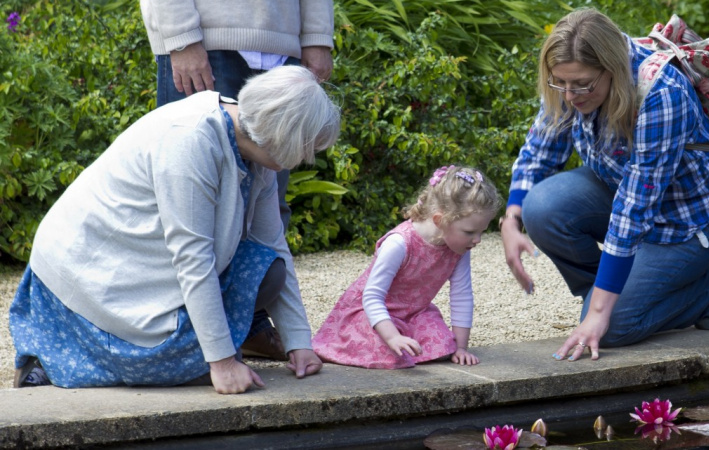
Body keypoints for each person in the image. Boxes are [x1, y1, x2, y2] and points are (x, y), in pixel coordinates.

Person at [9, 66, 341, 394]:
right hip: (88, 276)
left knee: (270, 271)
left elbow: (272, 244)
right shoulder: (190, 140)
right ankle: (48, 359)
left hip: (142, 267)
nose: (309, 156)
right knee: (195, 367)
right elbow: (193, 259)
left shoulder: (257, 148)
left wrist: (298, 342)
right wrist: (222, 362)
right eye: (309, 146)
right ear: (285, 137)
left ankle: (212, 346)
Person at [500, 9, 709, 363]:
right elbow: (540, 149)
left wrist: (601, 313)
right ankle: (611, 294)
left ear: (611, 68)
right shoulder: (573, 79)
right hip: (621, 190)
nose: (569, 95)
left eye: (582, 85)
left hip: (686, 222)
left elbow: (633, 209)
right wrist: (510, 218)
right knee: (541, 207)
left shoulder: (661, 93)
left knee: (612, 328)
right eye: (559, 83)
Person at [139, 0, 335, 360]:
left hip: (283, 43)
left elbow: (271, 237)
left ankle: (244, 327)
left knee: (268, 206)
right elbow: (186, 243)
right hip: (206, 41)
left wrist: (318, 35)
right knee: (181, 215)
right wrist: (180, 36)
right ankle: (169, 335)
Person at [312, 166, 501, 369]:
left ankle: (407, 340)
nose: (478, 240)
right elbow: (372, 297)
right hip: (372, 314)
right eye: (470, 231)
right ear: (440, 220)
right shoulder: (399, 244)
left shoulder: (459, 248)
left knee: (445, 344)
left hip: (414, 313)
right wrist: (392, 337)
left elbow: (461, 295)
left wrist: (461, 347)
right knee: (390, 352)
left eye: (482, 231)